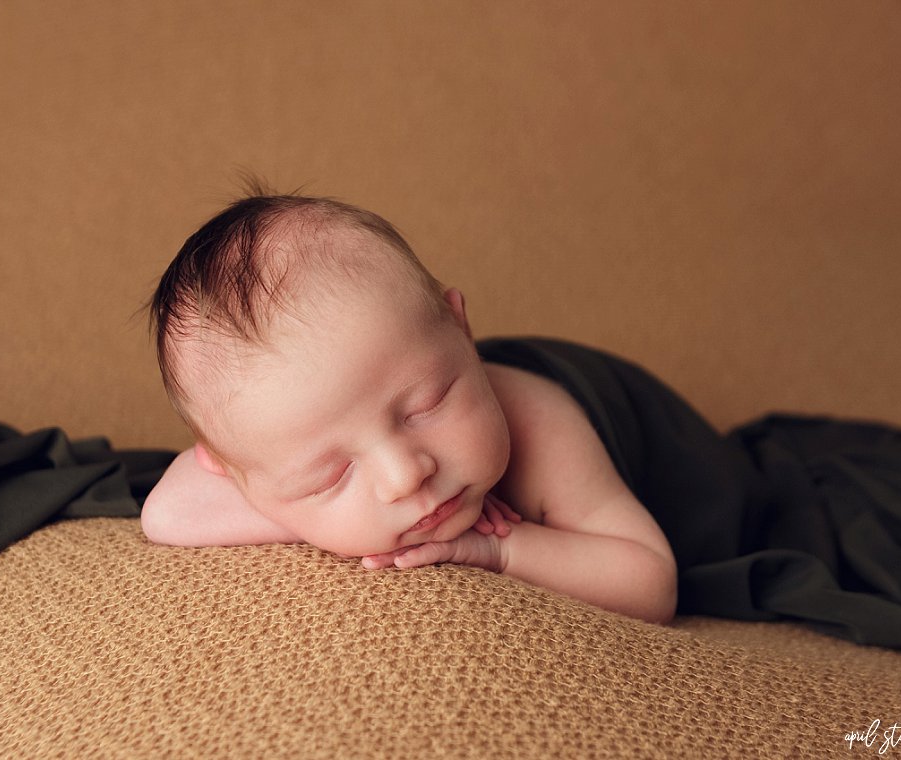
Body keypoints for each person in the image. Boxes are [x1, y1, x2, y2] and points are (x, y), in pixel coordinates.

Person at [141, 191, 678, 624]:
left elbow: (650, 581)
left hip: (672, 456)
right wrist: (320, 520)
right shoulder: (268, 451)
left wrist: (501, 550)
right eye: (329, 476)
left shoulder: (542, 422)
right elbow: (167, 514)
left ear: (462, 329)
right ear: (230, 469)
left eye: (427, 405)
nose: (406, 476)